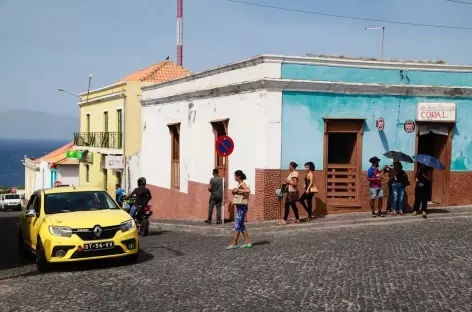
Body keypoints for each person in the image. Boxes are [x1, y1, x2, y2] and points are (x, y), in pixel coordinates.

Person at [226, 170, 252, 249]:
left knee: (237, 224)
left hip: (242, 208)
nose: (234, 177)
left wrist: (238, 190)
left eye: (235, 176)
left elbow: (248, 190)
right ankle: (247, 242)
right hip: (240, 207)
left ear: (238, 176)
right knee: (241, 225)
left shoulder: (242, 184)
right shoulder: (239, 184)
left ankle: (234, 243)